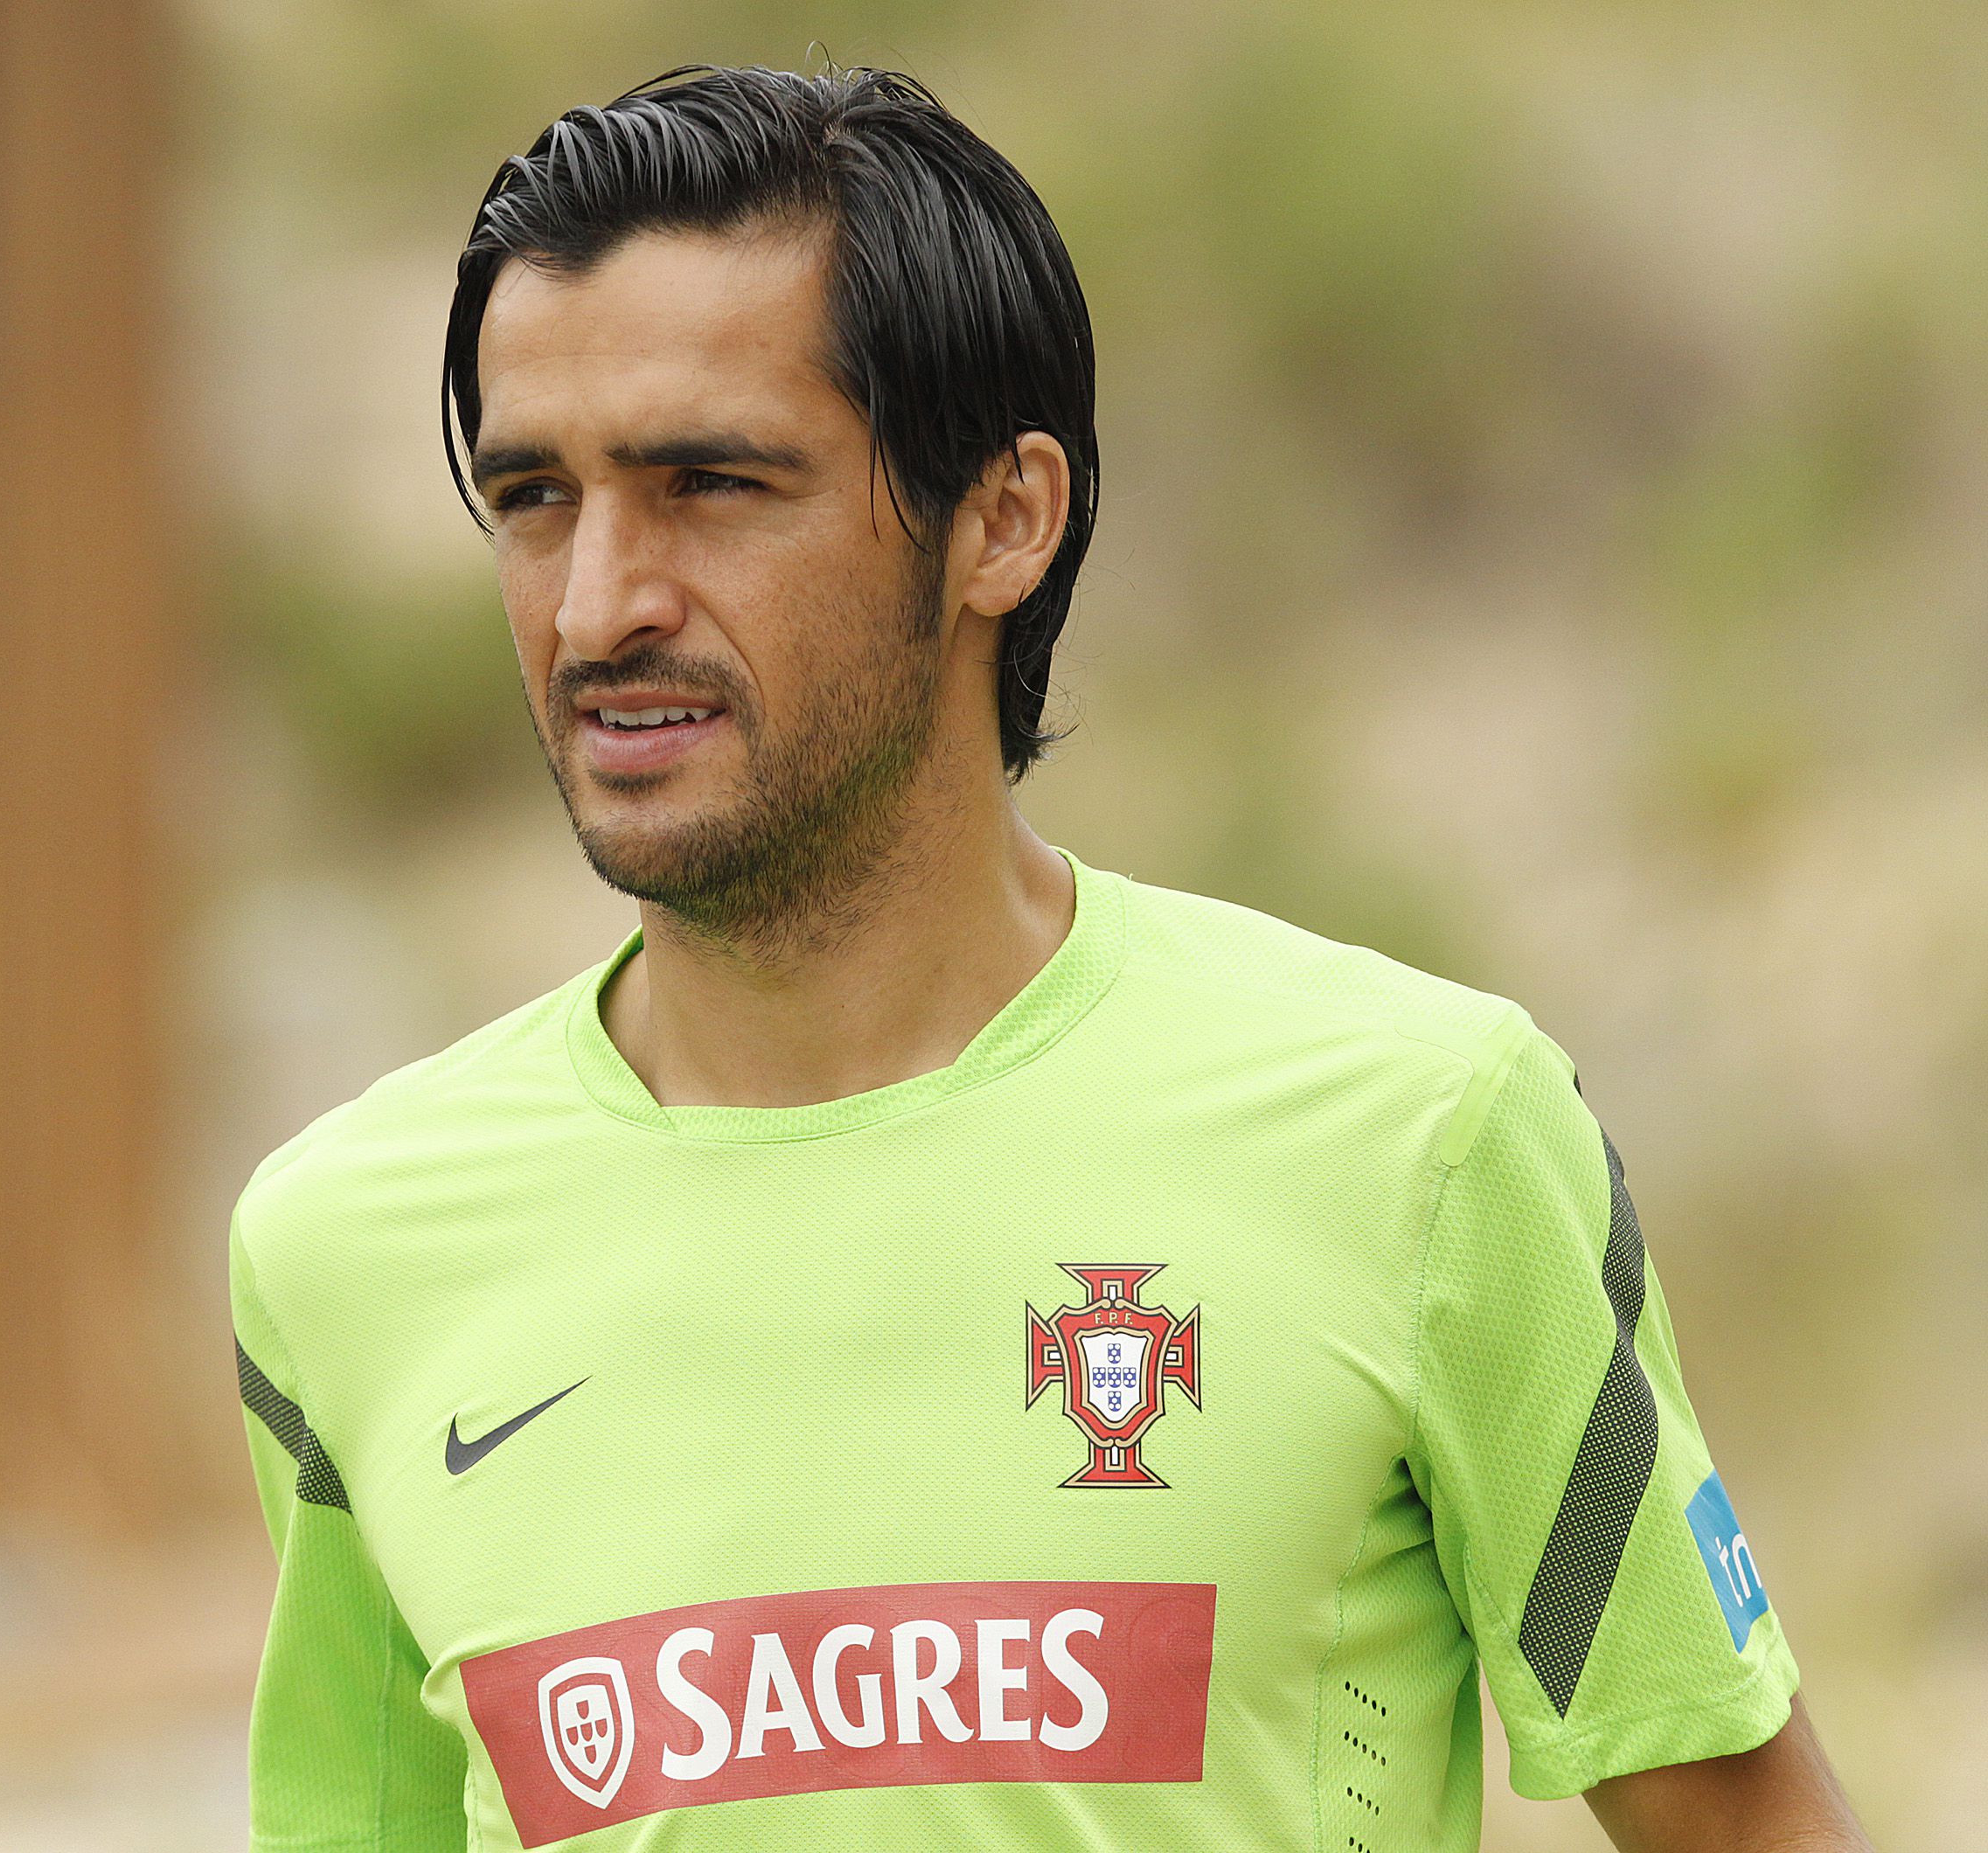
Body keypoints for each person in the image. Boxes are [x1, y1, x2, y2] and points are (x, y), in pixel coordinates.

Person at [228, 62, 1870, 1852]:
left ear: (1005, 516)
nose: (597, 598)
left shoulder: (1425, 1134)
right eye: (532, 496)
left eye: (709, 482)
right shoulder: (347, 1246)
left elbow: (1747, 1824)